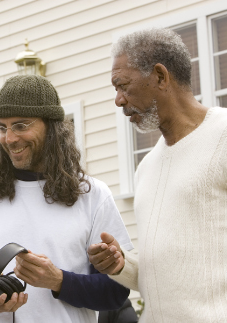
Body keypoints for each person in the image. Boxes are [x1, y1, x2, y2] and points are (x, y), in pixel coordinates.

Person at [0, 74, 134, 323]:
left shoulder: (93, 196)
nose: (9, 139)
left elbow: (116, 291)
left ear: (52, 127)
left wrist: (58, 281)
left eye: (21, 125)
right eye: (2, 127)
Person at [87, 27, 227, 322]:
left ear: (160, 77)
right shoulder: (146, 168)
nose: (118, 100)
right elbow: (162, 279)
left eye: (122, 85)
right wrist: (120, 264)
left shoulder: (223, 137)